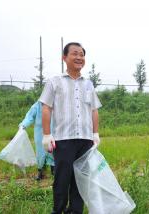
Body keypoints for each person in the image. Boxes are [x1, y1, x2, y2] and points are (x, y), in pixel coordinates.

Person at [39, 42, 102, 214]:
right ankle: (58, 210)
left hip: (85, 140)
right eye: (75, 54)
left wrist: (95, 133)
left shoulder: (88, 84)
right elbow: (46, 107)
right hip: (63, 139)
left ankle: (75, 211)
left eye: (82, 54)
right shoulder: (55, 82)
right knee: (62, 179)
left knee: (81, 179)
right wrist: (46, 135)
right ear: (64, 58)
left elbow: (94, 109)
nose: (79, 57)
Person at [19, 101, 54, 180]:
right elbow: (30, 117)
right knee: (40, 152)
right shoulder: (37, 105)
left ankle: (54, 171)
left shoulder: (56, 102)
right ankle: (41, 172)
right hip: (40, 133)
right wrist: (23, 125)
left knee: (53, 151)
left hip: (53, 132)